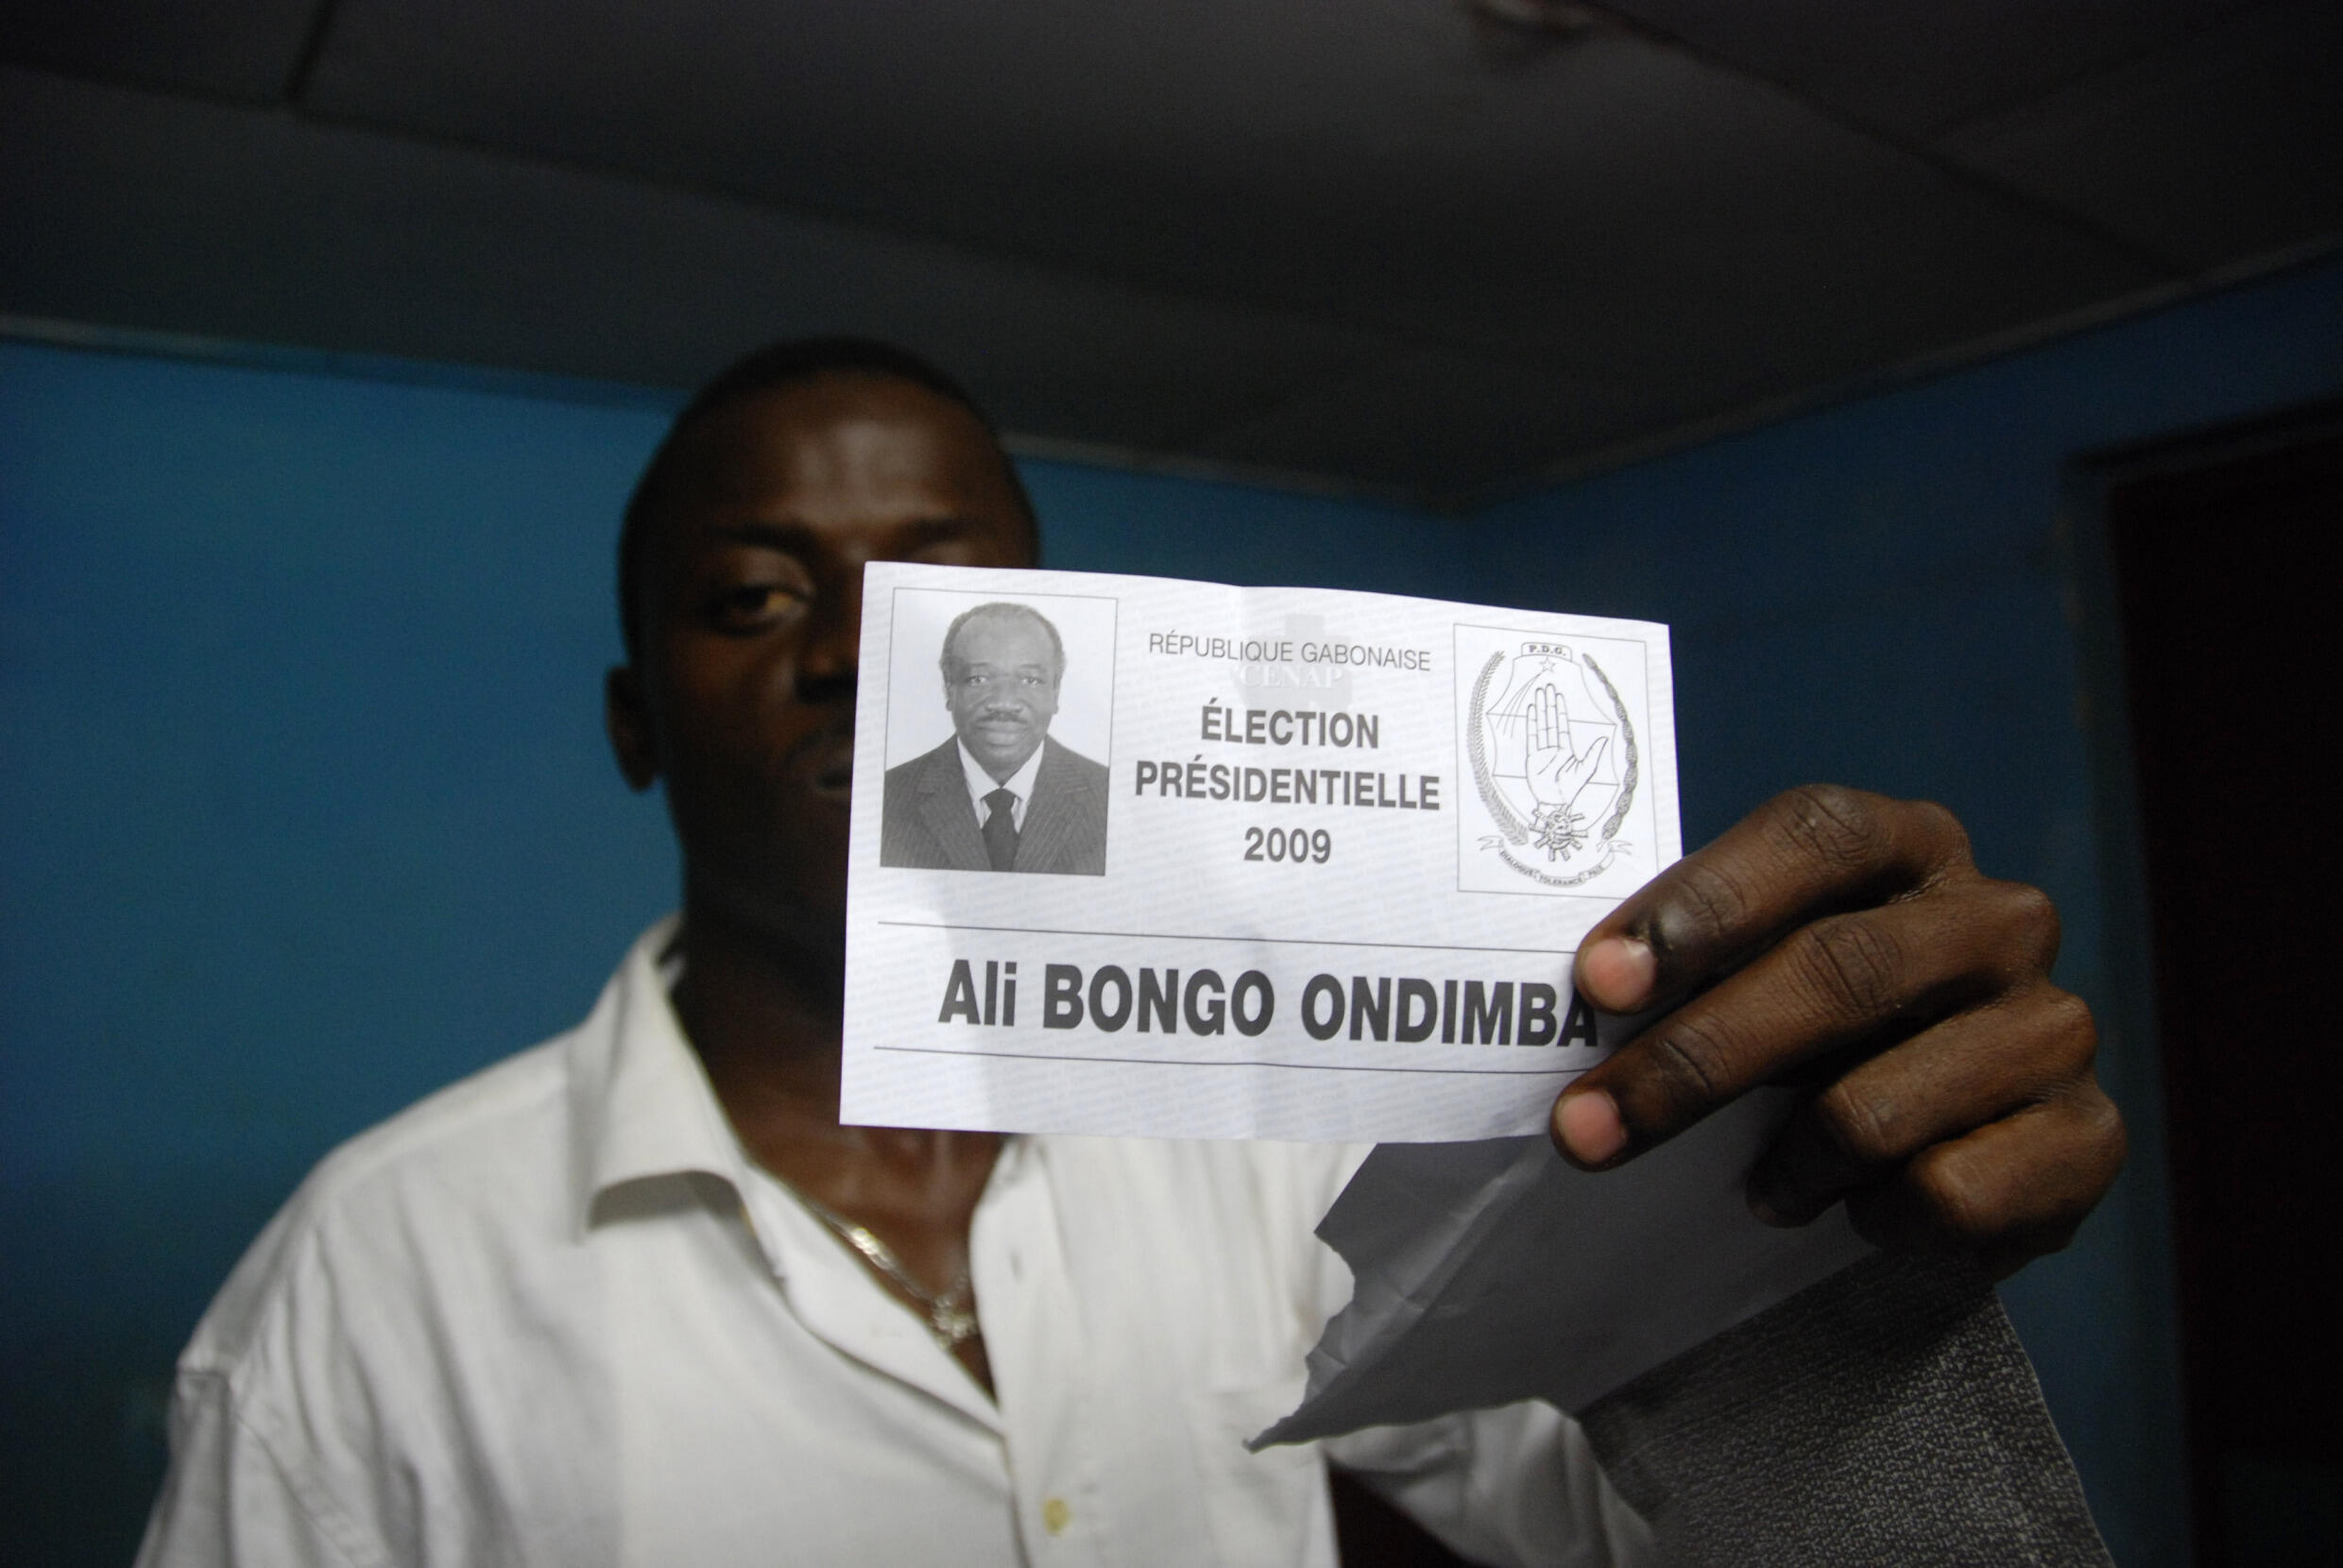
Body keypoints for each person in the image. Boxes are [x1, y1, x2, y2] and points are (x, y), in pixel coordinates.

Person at [136, 336, 2126, 1565]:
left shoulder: (1293, 1150)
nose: (859, 650)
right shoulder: (372, 1271)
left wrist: (1803, 1273)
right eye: (755, 597)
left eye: (950, 586)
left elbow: (1634, 1523)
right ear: (635, 717)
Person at [881, 601, 1109, 874]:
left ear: (1056, 690)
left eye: (1030, 680)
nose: (1003, 702)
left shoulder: (1108, 798)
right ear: (949, 688)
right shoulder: (887, 799)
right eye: (979, 679)